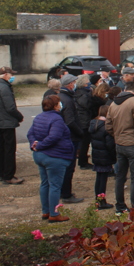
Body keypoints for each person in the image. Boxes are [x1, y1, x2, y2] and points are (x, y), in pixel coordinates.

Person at [27, 95, 75, 222]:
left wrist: (35, 144)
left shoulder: (39, 117)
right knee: (54, 185)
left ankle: (46, 211)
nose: (61, 105)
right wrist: (41, 145)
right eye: (59, 103)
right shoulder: (56, 119)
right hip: (55, 156)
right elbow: (54, 136)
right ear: (55, 106)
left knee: (45, 183)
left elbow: (30, 133)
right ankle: (54, 213)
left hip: (40, 155)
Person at [106, 81, 134, 216]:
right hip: (133, 143)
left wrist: (117, 136)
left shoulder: (113, 103)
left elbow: (108, 125)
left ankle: (120, 205)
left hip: (120, 143)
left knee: (120, 176)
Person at [0, 67, 25, 185]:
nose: (12, 77)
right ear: (4, 75)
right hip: (7, 122)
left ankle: (2, 173)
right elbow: (10, 107)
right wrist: (19, 116)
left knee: (1, 149)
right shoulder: (4, 88)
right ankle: (9, 175)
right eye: (11, 74)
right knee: (9, 150)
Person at [58, 74, 84, 204]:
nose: (75, 84)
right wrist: (80, 133)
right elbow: (70, 121)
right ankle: (66, 194)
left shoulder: (62, 96)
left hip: (65, 136)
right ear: (69, 84)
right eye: (74, 82)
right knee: (69, 166)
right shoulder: (67, 99)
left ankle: (63, 191)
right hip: (70, 137)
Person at [89, 105, 115, 210]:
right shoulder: (106, 127)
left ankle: (98, 199)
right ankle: (102, 201)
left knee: (99, 178)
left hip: (97, 154)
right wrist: (114, 156)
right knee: (103, 180)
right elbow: (110, 145)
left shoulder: (94, 124)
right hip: (105, 155)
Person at [74, 74, 94, 170]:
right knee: (84, 143)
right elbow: (87, 105)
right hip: (84, 121)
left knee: (84, 142)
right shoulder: (83, 94)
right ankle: (83, 162)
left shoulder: (81, 92)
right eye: (87, 82)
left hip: (84, 120)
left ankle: (83, 160)